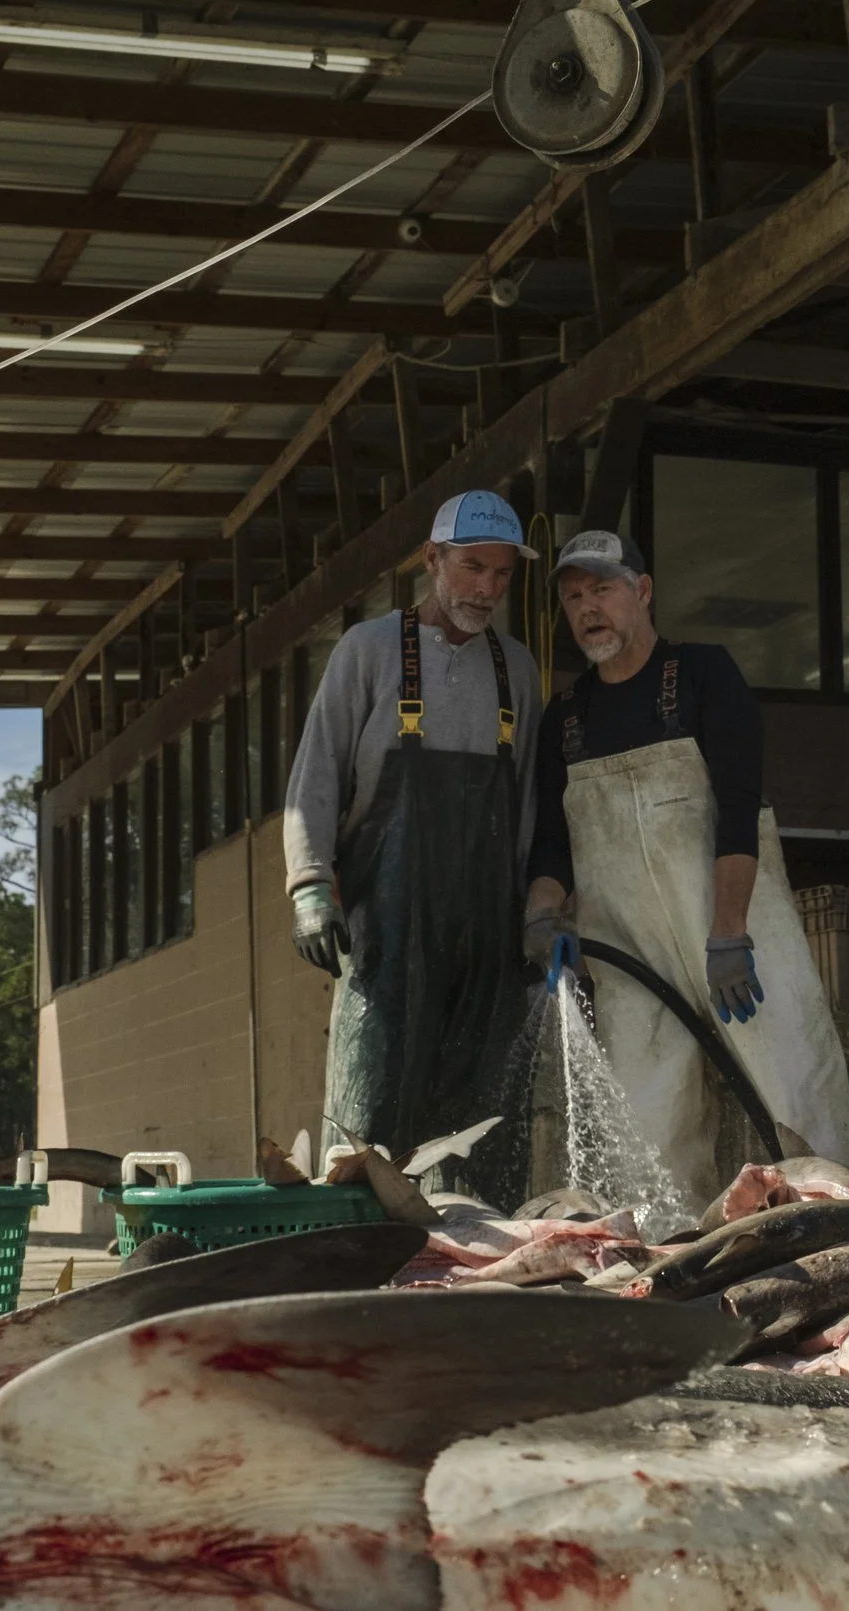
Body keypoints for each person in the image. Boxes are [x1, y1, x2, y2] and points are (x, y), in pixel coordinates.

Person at [524, 529, 849, 1203]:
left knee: (802, 1100)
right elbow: (551, 844)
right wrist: (541, 915)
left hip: (735, 941)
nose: (589, 608)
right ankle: (673, 1275)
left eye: (604, 589)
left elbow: (738, 810)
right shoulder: (563, 718)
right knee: (652, 1146)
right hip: (631, 958)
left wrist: (729, 931)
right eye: (574, 597)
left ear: (642, 591)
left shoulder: (704, 674)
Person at [282, 490, 541, 1190]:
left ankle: (477, 1287)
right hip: (386, 941)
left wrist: (541, 915)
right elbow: (315, 779)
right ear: (431, 559)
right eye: (471, 567)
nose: (486, 588)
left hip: (487, 952)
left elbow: (529, 809)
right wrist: (309, 885)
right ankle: (360, 1285)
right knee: (367, 1139)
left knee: (481, 1148)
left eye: (501, 574)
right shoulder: (366, 652)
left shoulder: (517, 670)